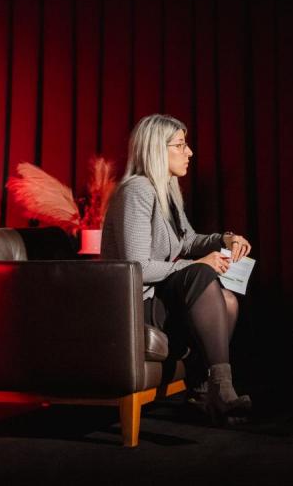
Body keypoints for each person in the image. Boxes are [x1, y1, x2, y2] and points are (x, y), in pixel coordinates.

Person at [101, 114, 253, 425]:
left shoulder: (166, 190)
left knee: (228, 300)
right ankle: (221, 389)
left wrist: (225, 239)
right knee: (202, 273)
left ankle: (203, 392)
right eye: (180, 145)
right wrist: (196, 265)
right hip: (136, 305)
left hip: (160, 298)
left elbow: (189, 240)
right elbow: (137, 267)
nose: (190, 152)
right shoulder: (137, 191)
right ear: (157, 150)